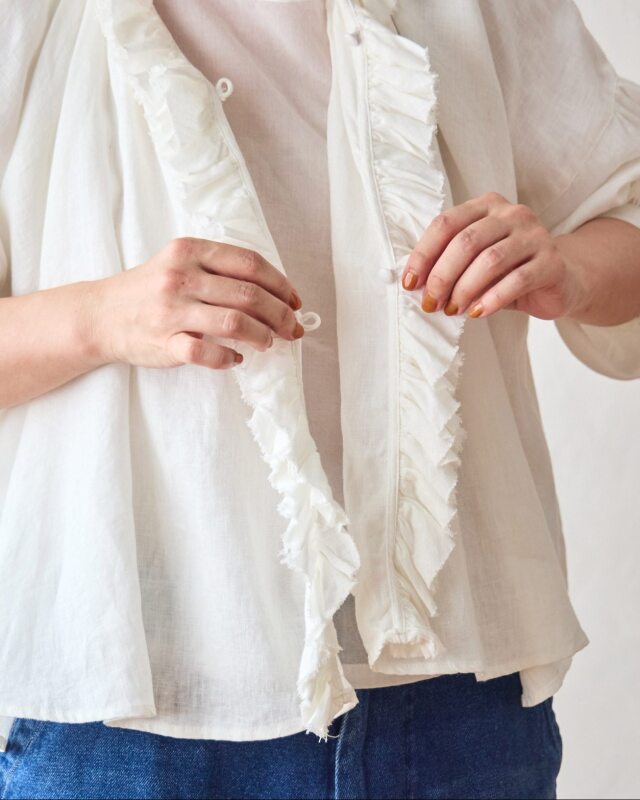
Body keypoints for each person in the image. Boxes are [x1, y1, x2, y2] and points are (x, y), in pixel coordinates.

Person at [0, 0, 639, 798]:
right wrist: (99, 316)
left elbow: (623, 205)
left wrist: (570, 269)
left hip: (457, 706)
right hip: (129, 711)